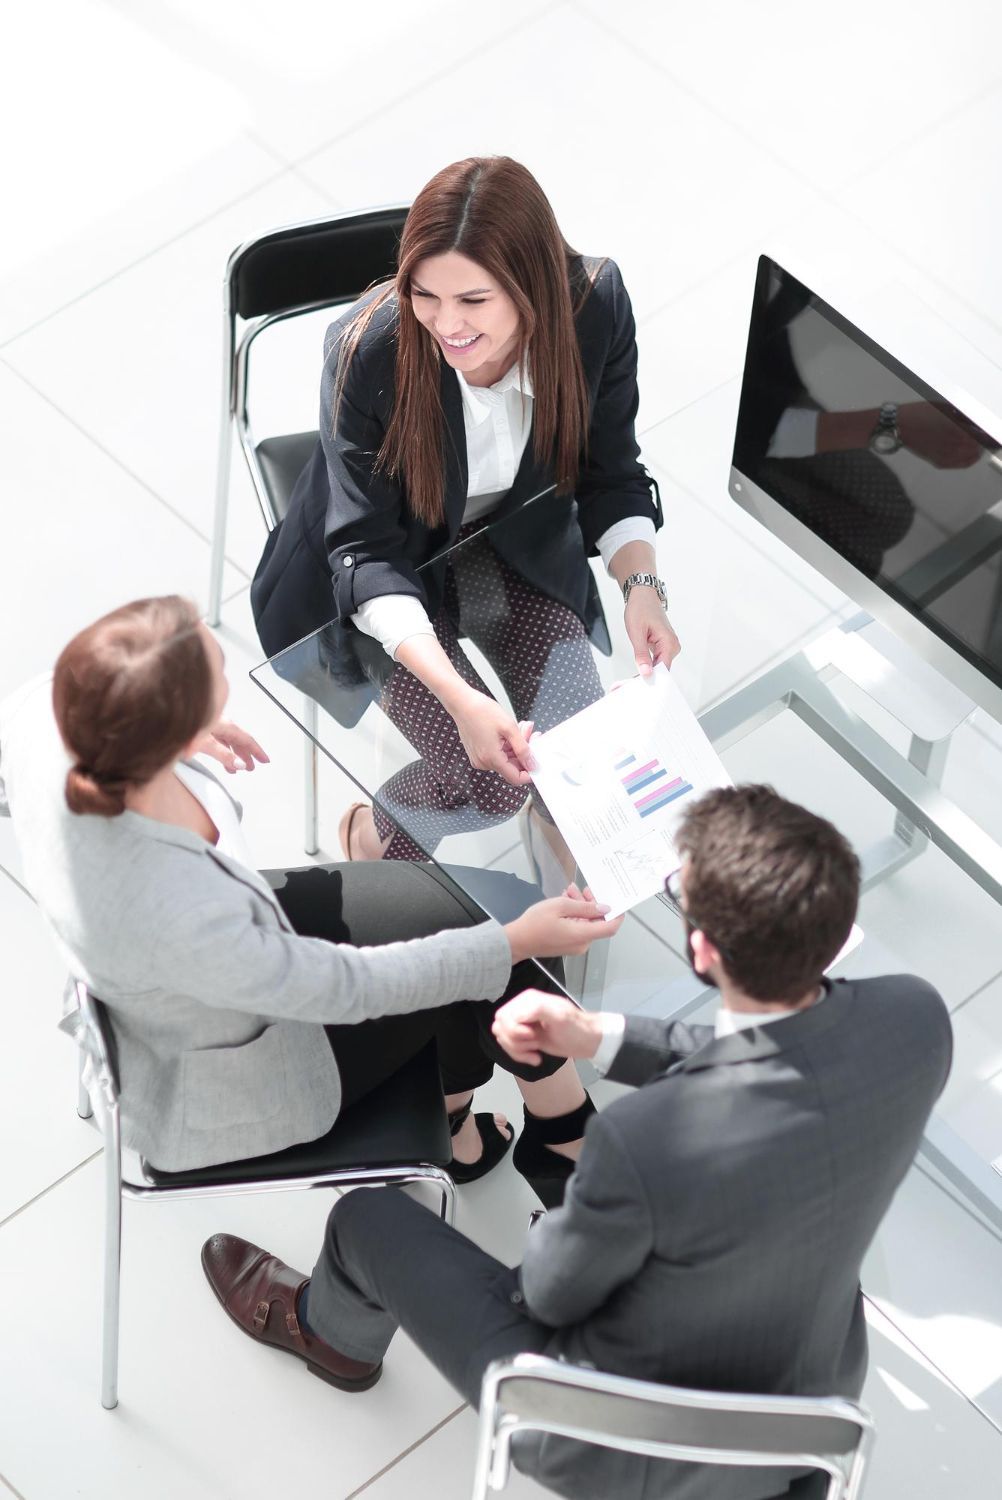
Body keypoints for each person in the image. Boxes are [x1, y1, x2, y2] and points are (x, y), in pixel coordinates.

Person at [202, 784, 952, 1500]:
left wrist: (585, 1219)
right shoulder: (917, 1023)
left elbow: (548, 1293)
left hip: (611, 1440)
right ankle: (552, 1142)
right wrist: (598, 1038)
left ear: (703, 954)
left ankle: (333, 1338)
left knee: (368, 1220)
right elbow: (784, 1043)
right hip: (808, 1407)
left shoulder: (643, 1140)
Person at [0, 596, 622, 1193]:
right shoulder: (179, 907)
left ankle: (484, 1121)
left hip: (214, 969)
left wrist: (172, 746)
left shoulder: (46, 713)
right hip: (250, 1063)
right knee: (508, 949)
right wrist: (515, 941)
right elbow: (345, 987)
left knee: (486, 930)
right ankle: (560, 1144)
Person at [250, 155, 680, 866]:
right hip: (383, 565)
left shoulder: (594, 306)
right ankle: (369, 834)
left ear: (532, 285)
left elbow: (613, 471)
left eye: (474, 301)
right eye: (425, 294)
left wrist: (642, 588)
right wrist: (458, 697)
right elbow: (364, 551)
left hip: (513, 541)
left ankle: (566, 880)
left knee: (578, 759)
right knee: (486, 785)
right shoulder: (370, 349)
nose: (446, 325)